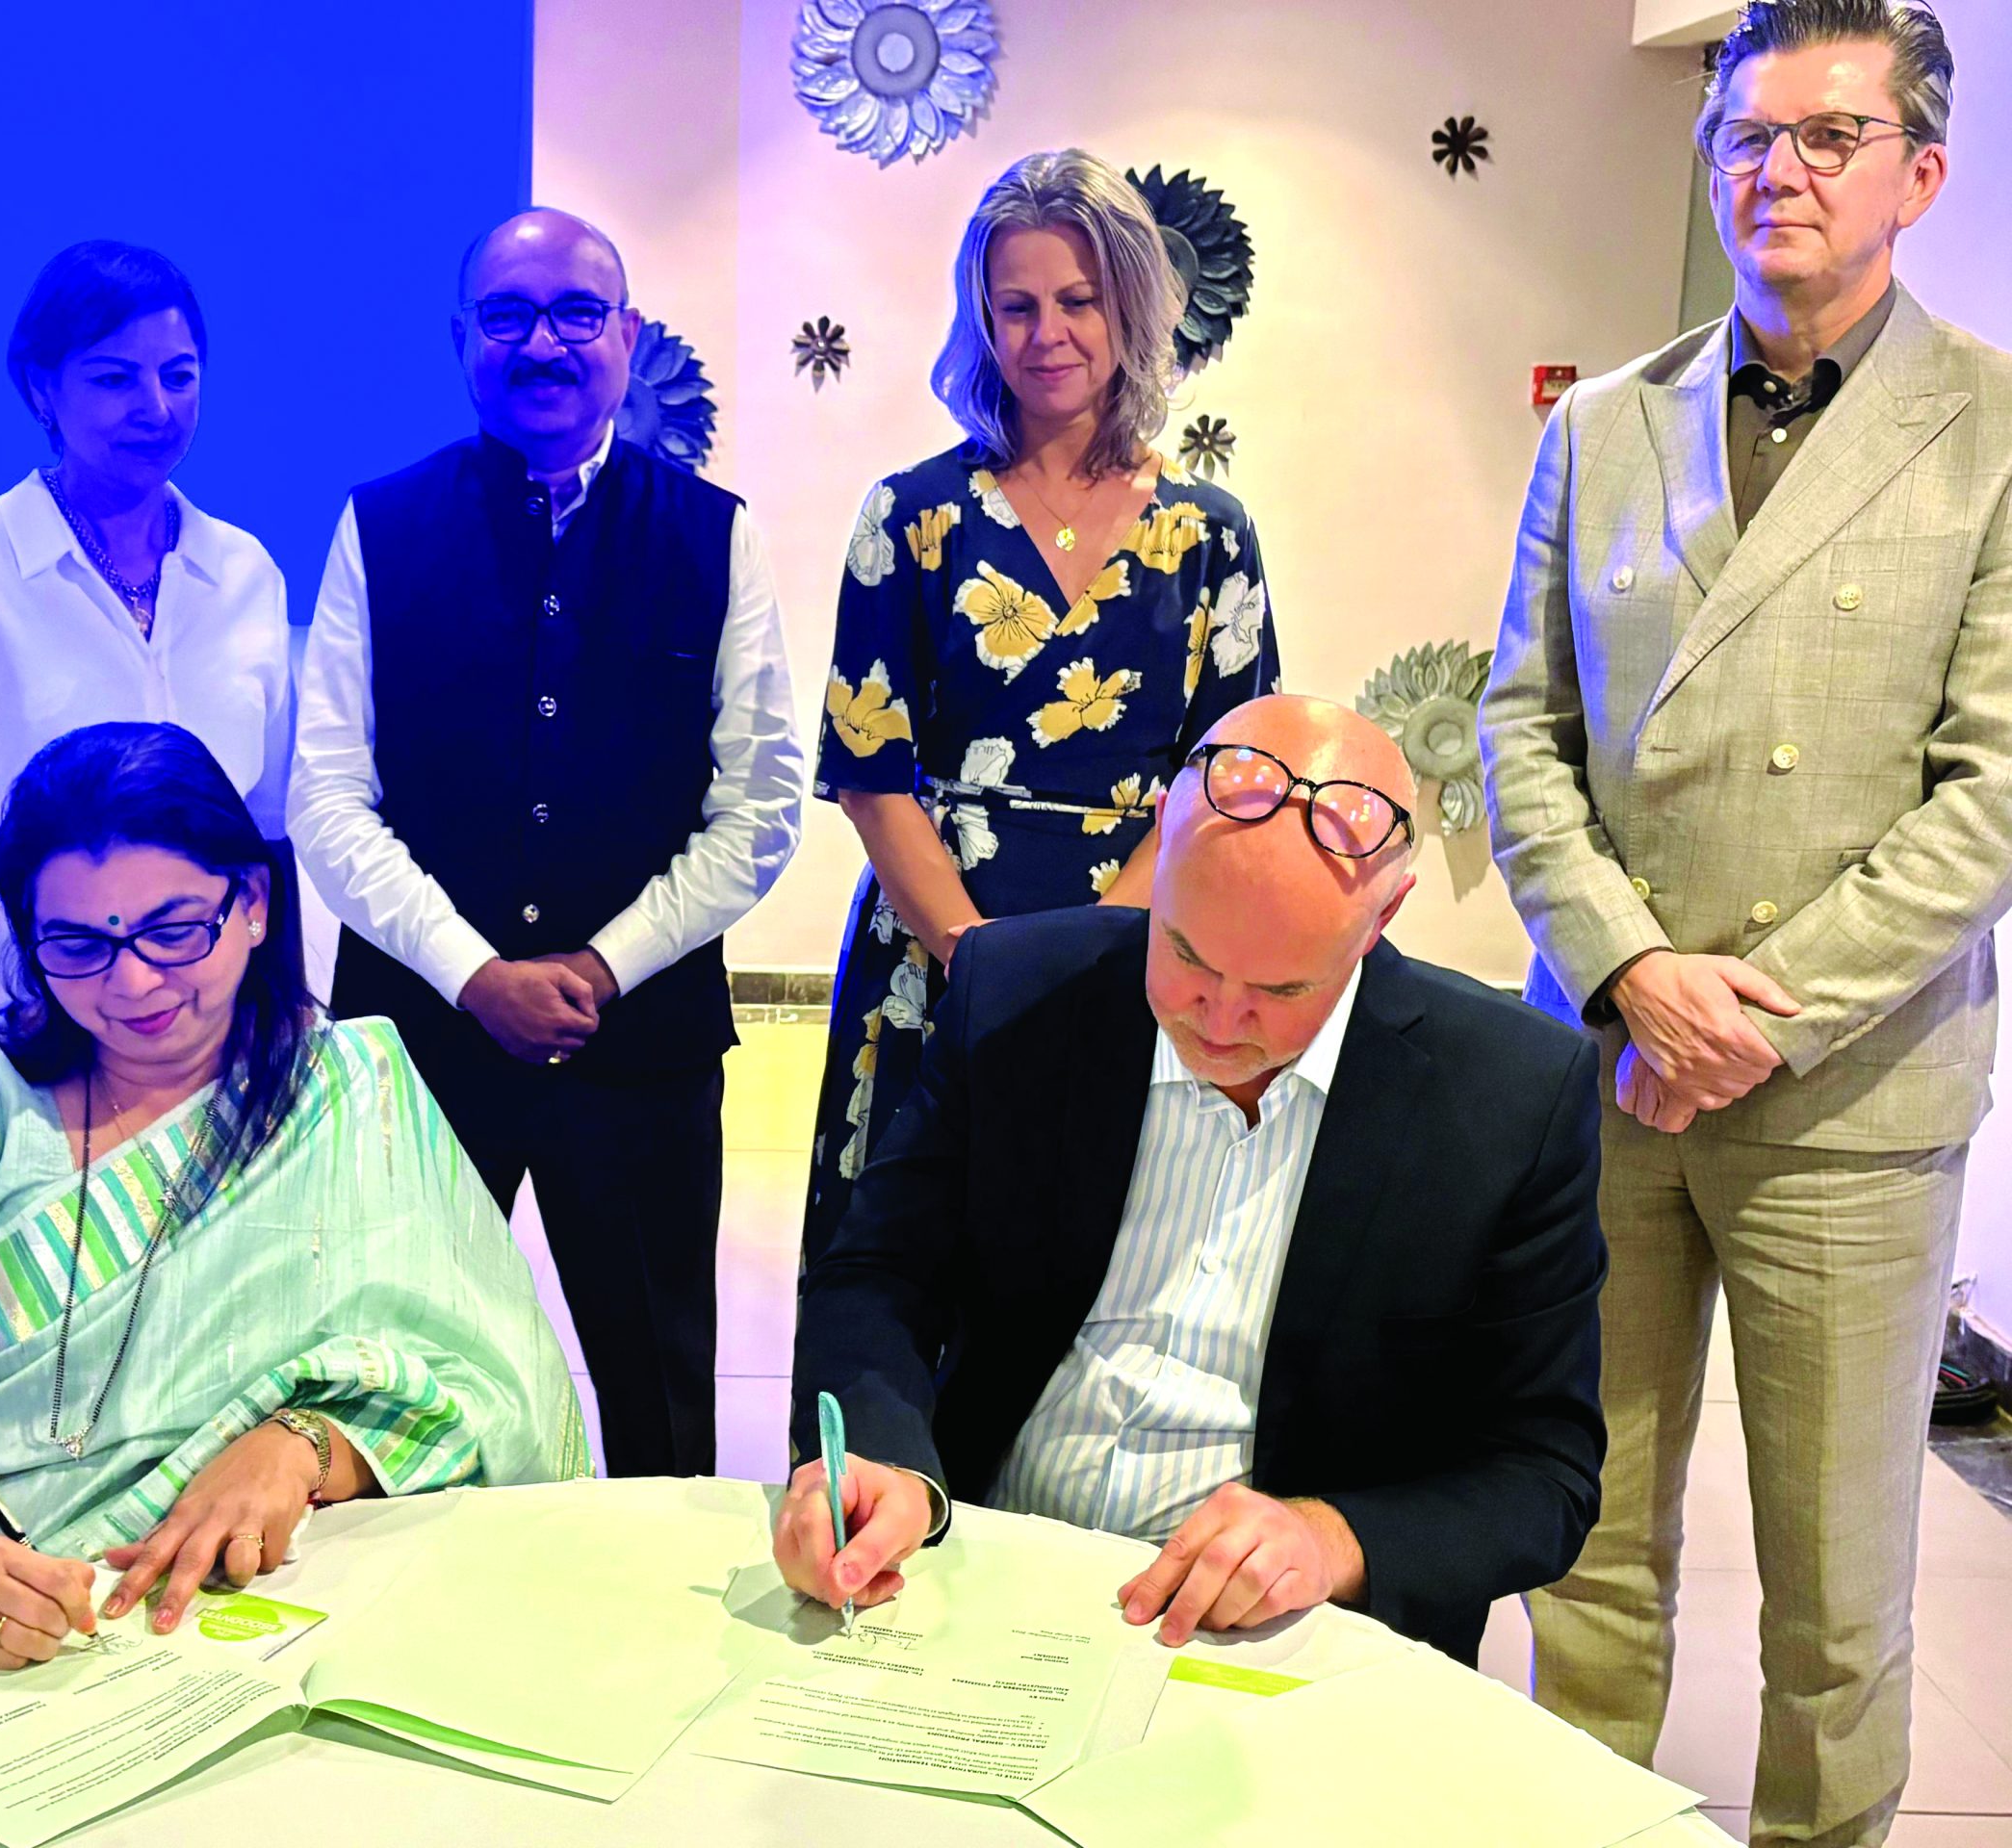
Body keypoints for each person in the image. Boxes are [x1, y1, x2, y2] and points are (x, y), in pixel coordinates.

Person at [1479, 3, 2012, 1837]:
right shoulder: (1604, 425)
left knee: (1838, 1600)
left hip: (1849, 1097)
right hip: (1610, 1069)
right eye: (1746, 136)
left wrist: (1751, 1014)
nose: (1779, 170)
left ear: (1919, 174)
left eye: (1828, 136)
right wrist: (1635, 972)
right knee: (1587, 1545)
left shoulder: (1997, 425)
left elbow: (1993, 794)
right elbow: (1520, 728)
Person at [0, 724, 586, 1665]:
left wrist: (303, 1446)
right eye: (77, 945)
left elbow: (491, 1387)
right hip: (3, 1629)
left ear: (251, 903)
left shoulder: (349, 1087)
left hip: (292, 1598)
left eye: (174, 932)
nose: (133, 982)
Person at [776, 696, 1607, 1666]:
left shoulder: (1511, 1095)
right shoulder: (1019, 990)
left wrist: (1330, 1540)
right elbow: (879, 1271)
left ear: (1381, 917)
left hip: (1279, 1630)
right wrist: (883, 1456)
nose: (1216, 1018)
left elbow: (1542, 1473)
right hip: (985, 1565)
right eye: (1184, 954)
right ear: (1160, 850)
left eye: (1282, 989)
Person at [290, 209, 802, 1479]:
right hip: (418, 1041)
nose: (543, 343)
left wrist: (602, 965)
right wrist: (474, 974)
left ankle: (661, 1601)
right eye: (508, 315)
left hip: (642, 1046)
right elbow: (330, 798)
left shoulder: (713, 533)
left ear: (627, 336)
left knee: (659, 1397)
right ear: (461, 340)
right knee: (387, 1374)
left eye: (577, 313)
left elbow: (760, 806)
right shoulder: (380, 526)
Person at [802, 148, 1280, 1267]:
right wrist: (974, 961)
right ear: (980, 318)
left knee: (1093, 1274)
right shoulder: (908, 515)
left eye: (1078, 300)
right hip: (930, 955)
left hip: (1135, 964)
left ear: (1132, 309)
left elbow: (1224, 780)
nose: (1046, 334)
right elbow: (870, 772)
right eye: (1015, 306)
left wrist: (1098, 961)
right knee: (903, 1280)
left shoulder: (1211, 534)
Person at [0, 241, 296, 1069]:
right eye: (114, 378)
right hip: (47, 1005)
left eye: (179, 375)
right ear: (40, 388)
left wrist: (284, 1005)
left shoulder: (246, 570)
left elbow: (266, 832)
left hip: (216, 1012)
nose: (156, 407)